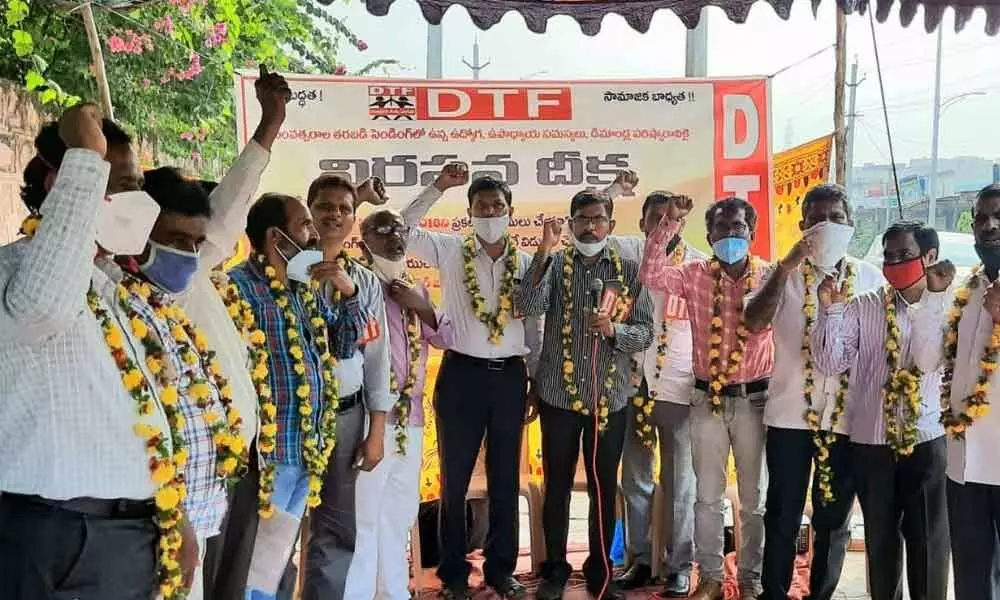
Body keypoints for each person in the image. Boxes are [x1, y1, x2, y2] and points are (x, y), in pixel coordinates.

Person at [0, 105, 200, 599]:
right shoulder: (17, 271)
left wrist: (173, 516)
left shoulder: (113, 289)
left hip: (129, 535)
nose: (140, 202)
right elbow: (43, 309)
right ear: (64, 184)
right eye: (125, 185)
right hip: (54, 535)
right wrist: (88, 158)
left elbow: (145, 418)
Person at [401, 164, 541, 600]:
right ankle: (453, 574)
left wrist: (533, 378)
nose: (490, 212)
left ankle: (502, 570)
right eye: (482, 207)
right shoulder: (447, 250)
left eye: (497, 206)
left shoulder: (526, 262)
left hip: (510, 379)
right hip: (460, 375)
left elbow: (533, 324)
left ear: (511, 211)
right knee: (454, 479)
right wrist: (438, 186)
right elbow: (401, 229)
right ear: (469, 213)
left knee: (504, 479)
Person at [742, 184, 884, 600]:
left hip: (845, 419)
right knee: (783, 514)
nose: (826, 226)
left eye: (835, 218)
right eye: (817, 219)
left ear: (851, 225)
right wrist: (785, 269)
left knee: (834, 518)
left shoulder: (871, 278)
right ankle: (774, 593)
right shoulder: (781, 275)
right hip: (789, 416)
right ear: (802, 226)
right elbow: (752, 322)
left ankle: (820, 594)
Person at [516, 189, 654, 600]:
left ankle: (601, 572)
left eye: (598, 219)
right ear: (571, 223)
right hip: (558, 395)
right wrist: (543, 251)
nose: (590, 226)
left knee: (602, 486)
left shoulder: (629, 271)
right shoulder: (556, 265)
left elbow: (645, 331)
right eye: (582, 219)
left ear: (611, 226)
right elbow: (526, 303)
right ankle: (555, 571)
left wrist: (615, 331)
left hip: (609, 399)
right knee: (556, 485)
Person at [230, 192, 364, 600]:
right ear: (277, 237)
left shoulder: (302, 289)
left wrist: (348, 291)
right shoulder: (238, 289)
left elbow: (344, 345)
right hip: (269, 455)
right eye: (305, 225)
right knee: (253, 565)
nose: (313, 234)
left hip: (307, 447)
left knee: (274, 560)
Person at [639, 197, 773, 600]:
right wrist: (668, 222)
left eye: (738, 228)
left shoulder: (770, 276)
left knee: (754, 501)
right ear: (708, 236)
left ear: (751, 231)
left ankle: (750, 580)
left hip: (756, 401)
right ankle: (711, 578)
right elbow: (650, 272)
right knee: (706, 498)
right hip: (707, 401)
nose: (730, 236)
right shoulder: (693, 274)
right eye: (721, 229)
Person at [810, 220, 952, 600]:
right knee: (881, 545)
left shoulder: (948, 305)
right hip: (871, 442)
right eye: (888, 256)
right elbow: (828, 363)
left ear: (930, 256)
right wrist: (829, 312)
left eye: (903, 255)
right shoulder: (864, 306)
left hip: (925, 440)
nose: (893, 264)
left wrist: (932, 303)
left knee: (929, 544)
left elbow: (929, 363)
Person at [343, 208, 456, 600]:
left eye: (399, 230)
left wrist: (418, 305)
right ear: (363, 241)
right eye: (382, 230)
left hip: (410, 419)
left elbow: (446, 337)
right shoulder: (354, 282)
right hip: (368, 419)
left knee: (398, 513)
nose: (394, 237)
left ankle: (392, 592)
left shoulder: (415, 289)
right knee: (364, 514)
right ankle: (357, 594)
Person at [604, 176, 703, 598]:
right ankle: (640, 559)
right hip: (632, 383)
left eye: (670, 219)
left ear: (681, 223)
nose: (663, 226)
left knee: (681, 480)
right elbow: (589, 231)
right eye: (655, 219)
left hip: (680, 387)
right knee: (636, 477)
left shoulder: (698, 266)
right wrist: (610, 191)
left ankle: (680, 564)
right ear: (643, 224)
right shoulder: (626, 255)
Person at [298, 174, 394, 600]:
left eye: (344, 208)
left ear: (354, 218)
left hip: (345, 416)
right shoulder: (287, 272)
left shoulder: (365, 282)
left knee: (335, 528)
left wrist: (376, 431)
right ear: (309, 212)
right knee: (278, 523)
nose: (334, 215)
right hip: (289, 420)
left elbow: (377, 358)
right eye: (324, 207)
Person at [909, 185, 1000, 600]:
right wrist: (932, 295)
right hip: (965, 465)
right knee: (970, 580)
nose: (989, 226)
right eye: (981, 218)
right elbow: (927, 360)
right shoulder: (967, 290)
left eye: (998, 216)